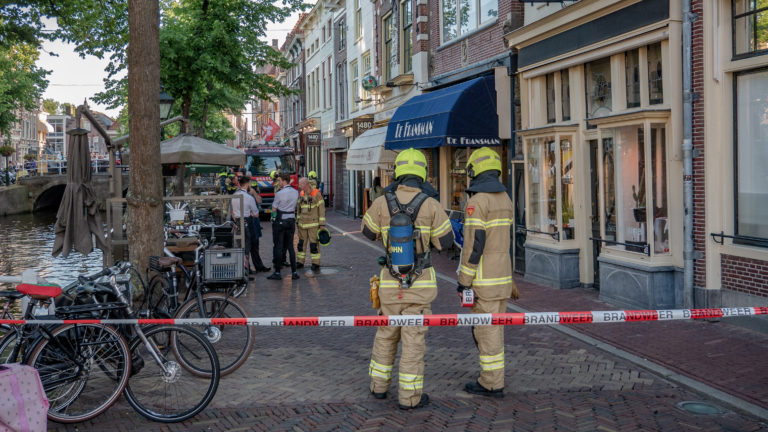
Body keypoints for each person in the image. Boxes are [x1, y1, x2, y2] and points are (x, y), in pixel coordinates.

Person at [361, 148, 454, 410]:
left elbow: (367, 232)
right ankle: (409, 397)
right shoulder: (431, 204)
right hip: (420, 286)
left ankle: (378, 386)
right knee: (413, 342)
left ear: (398, 173)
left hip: (390, 285)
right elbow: (445, 243)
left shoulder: (382, 202)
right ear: (422, 174)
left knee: (385, 335)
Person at [457, 147, 518, 399]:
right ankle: (493, 377)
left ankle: (491, 382)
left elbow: (474, 246)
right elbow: (506, 242)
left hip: (483, 281)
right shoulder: (506, 200)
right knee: (496, 329)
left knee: (486, 331)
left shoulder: (477, 202)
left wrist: (464, 280)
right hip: (502, 278)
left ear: (476, 171)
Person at [230, 175, 268, 275]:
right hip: (248, 221)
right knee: (248, 246)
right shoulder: (248, 197)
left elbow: (232, 212)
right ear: (247, 184)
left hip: (238, 221)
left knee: (242, 246)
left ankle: (247, 269)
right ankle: (246, 271)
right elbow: (256, 214)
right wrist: (251, 213)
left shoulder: (234, 195)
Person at [267, 173, 299, 280]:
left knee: (278, 246)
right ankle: (294, 272)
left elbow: (274, 209)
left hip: (281, 221)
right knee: (290, 246)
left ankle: (277, 272)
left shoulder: (279, 193)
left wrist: (272, 218)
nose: (278, 182)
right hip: (291, 221)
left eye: (279, 180)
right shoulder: (296, 192)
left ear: (284, 181)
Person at [296, 177, 326, 271]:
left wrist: (322, 224)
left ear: (305, 184)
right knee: (301, 244)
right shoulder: (301, 193)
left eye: (300, 185)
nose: (299, 186)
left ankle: (315, 263)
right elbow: (298, 208)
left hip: (313, 224)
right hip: (302, 224)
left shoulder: (316, 194)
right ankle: (300, 262)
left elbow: (321, 209)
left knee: (314, 245)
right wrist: (297, 221)